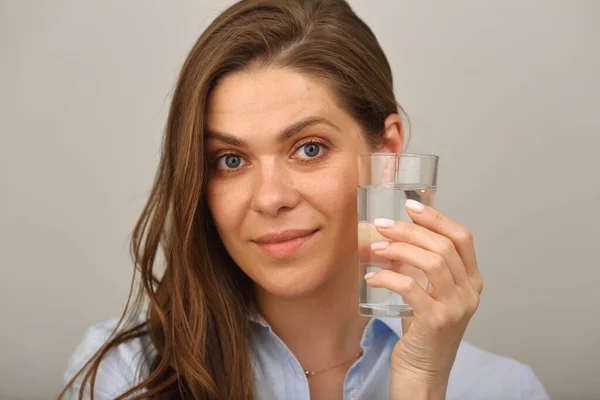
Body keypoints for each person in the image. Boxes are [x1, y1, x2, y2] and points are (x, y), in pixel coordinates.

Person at [60, 0, 549, 399]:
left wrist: (420, 386)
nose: (270, 199)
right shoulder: (125, 374)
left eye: (309, 148)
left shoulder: (505, 390)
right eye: (230, 160)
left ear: (389, 153)